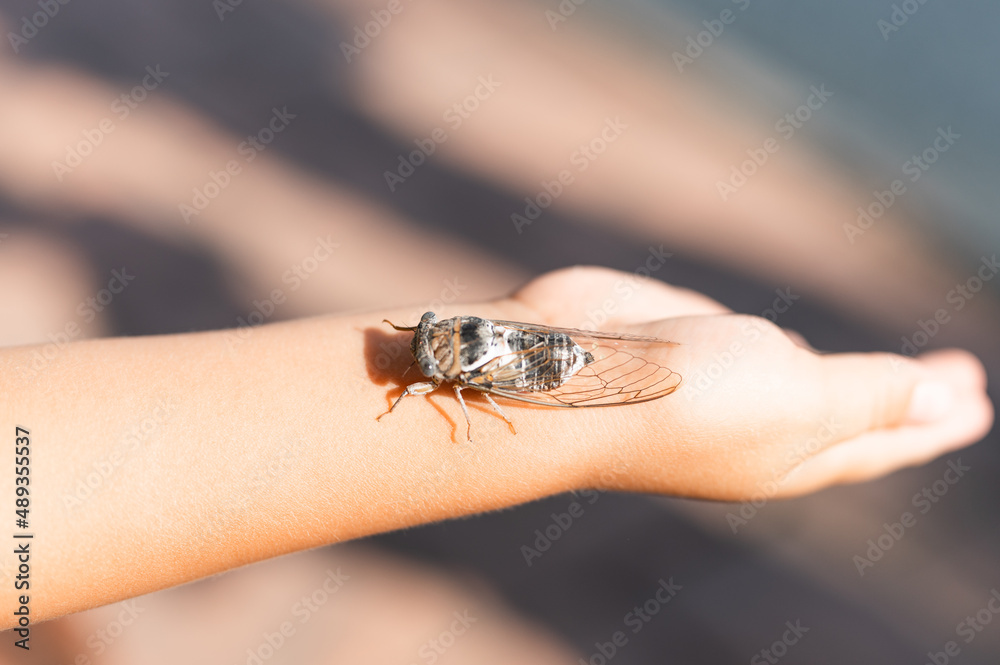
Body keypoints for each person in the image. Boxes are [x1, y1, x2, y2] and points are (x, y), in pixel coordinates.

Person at [0, 265, 991, 628]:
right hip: (519, 353)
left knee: (538, 369)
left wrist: (534, 337)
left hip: (534, 356)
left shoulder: (437, 353)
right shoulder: (428, 355)